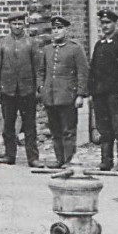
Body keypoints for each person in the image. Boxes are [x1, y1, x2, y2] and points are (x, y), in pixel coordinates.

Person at [0, 11, 40, 167]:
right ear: (9, 25)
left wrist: (38, 89)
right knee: (8, 125)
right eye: (14, 24)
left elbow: (37, 68)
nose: (17, 27)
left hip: (27, 90)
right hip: (8, 90)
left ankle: (33, 158)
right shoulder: (3, 43)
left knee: (30, 125)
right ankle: (9, 155)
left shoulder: (31, 43)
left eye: (20, 24)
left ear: (24, 24)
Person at [89, 7, 118, 173]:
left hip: (116, 94)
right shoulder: (99, 45)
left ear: (115, 24)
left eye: (108, 23)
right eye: (103, 23)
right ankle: (106, 161)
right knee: (103, 127)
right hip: (100, 94)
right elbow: (93, 70)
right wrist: (91, 92)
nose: (105, 26)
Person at [37, 15, 88, 169]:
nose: (56, 31)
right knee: (55, 130)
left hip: (68, 96)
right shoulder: (47, 49)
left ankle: (69, 160)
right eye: (54, 28)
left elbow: (82, 73)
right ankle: (59, 160)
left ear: (66, 30)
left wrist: (80, 95)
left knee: (68, 130)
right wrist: (41, 88)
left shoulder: (75, 49)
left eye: (59, 28)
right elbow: (41, 71)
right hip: (50, 97)